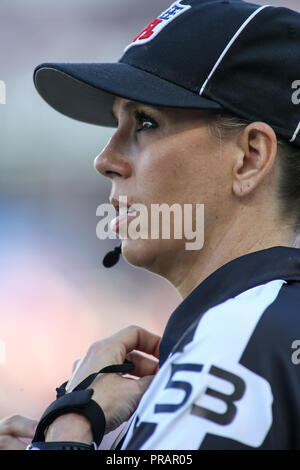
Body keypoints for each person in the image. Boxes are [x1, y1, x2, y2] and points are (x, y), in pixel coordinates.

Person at [2, 0, 300, 450]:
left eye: (144, 122)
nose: (105, 160)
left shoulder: (237, 344)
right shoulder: (252, 332)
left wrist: (67, 431)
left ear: (250, 157)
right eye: (117, 123)